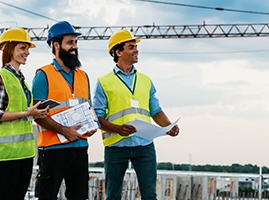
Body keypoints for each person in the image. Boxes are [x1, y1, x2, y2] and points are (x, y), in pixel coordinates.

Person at [93, 29, 180, 200]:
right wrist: (117, 128)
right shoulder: (103, 82)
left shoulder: (146, 80)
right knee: (113, 195)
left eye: (136, 47)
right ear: (118, 52)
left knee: (149, 195)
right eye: (131, 47)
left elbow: (156, 110)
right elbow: (97, 117)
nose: (136, 50)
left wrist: (168, 126)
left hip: (144, 144)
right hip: (116, 146)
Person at [32, 21, 97, 200]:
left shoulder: (83, 76)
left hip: (80, 148)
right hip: (53, 150)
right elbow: (37, 115)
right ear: (56, 45)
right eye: (70, 42)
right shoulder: (43, 75)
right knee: (47, 196)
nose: (74, 47)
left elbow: (87, 108)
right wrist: (64, 131)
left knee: (79, 196)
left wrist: (90, 126)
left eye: (76, 42)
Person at [0, 27, 48, 200]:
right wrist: (25, 113)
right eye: (23, 48)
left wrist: (36, 113)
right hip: (7, 153)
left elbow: (22, 112)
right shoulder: (1, 77)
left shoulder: (21, 80)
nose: (27, 52)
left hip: (24, 152)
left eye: (27, 49)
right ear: (9, 49)